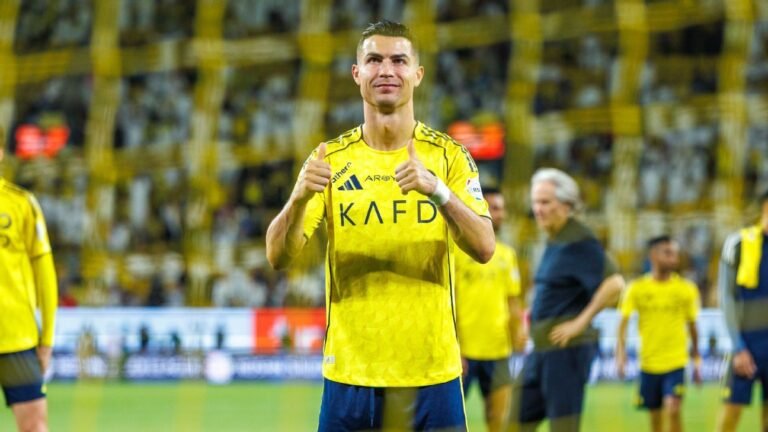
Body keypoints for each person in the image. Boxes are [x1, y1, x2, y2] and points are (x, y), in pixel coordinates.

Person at [266, 20, 495, 431]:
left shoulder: (449, 157)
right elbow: (278, 256)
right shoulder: (329, 159)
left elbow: (484, 248)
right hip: (351, 376)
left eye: (399, 60)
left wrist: (438, 191)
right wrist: (297, 200)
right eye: (374, 60)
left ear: (418, 74)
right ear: (357, 74)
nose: (386, 70)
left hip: (432, 374)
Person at [510, 168, 624, 432]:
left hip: (566, 352)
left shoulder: (579, 239)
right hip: (541, 350)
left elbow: (615, 284)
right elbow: (558, 290)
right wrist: (531, 318)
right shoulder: (556, 238)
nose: (538, 209)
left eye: (545, 202)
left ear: (567, 205)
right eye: (535, 202)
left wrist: (579, 323)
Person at [455, 187, 526, 432]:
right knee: (452, 420)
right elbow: (448, 302)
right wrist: (455, 346)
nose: (501, 214)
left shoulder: (507, 255)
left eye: (502, 209)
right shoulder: (456, 251)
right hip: (463, 351)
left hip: (498, 351)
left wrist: (519, 331)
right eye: (495, 208)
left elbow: (513, 301)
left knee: (498, 419)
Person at [616, 235, 702, 432]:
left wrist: (696, 359)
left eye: (675, 254)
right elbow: (622, 323)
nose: (674, 258)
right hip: (648, 363)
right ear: (653, 256)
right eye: (668, 253)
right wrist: (620, 354)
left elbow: (693, 327)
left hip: (676, 362)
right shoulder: (636, 288)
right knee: (655, 421)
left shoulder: (686, 289)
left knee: (673, 409)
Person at [0, 148, 58, 432]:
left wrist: (46, 340)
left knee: (34, 426)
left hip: (17, 339)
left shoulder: (20, 203)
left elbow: (45, 274)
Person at [717, 189, 768, 431]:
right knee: (730, 416)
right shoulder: (739, 243)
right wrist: (738, 347)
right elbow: (726, 297)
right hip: (747, 344)